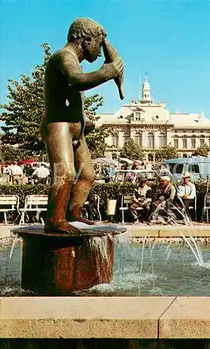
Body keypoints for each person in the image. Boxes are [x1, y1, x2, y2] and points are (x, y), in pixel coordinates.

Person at [40, 17, 124, 233]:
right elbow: (77, 80)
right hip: (58, 126)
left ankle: (71, 212)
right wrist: (108, 71)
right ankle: (54, 219)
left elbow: (69, 96)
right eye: (99, 43)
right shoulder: (63, 56)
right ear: (86, 41)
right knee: (64, 173)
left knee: (87, 175)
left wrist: (85, 120)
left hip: (76, 128)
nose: (99, 52)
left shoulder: (73, 60)